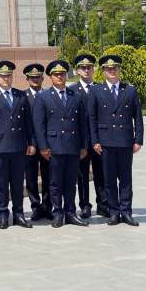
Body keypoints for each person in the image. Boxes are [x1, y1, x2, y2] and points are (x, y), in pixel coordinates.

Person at [32, 59, 89, 228]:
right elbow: (39, 125)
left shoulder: (75, 96)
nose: (59, 77)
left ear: (66, 76)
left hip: (72, 146)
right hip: (53, 146)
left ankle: (70, 212)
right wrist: (43, 147)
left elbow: (82, 124)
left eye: (62, 74)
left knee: (71, 182)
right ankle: (57, 213)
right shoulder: (43, 97)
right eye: (56, 74)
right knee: (55, 183)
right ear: (50, 77)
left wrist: (83, 146)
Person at [0, 60, 34, 229]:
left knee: (17, 183)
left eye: (8, 75)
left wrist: (31, 142)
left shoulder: (20, 95)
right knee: (1, 184)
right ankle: (2, 214)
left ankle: (18, 214)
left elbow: (28, 123)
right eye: (3, 76)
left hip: (18, 147)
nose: (6, 79)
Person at [89, 54, 143, 226]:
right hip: (105, 142)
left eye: (115, 68)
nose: (112, 71)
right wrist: (95, 141)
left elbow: (138, 117)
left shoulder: (130, 90)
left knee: (126, 179)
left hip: (125, 141)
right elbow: (92, 118)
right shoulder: (96, 91)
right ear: (103, 71)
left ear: (119, 70)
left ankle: (126, 212)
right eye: (108, 69)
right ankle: (113, 212)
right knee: (109, 180)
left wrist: (138, 140)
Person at [71, 53, 108, 219]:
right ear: (77, 71)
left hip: (100, 139)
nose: (86, 70)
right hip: (81, 141)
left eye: (89, 67)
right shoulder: (72, 91)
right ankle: (85, 205)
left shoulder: (101, 89)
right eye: (83, 68)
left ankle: (103, 204)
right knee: (82, 175)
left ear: (94, 69)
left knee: (101, 173)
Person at [22, 63, 52, 220]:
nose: (35, 80)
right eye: (32, 77)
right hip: (30, 145)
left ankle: (47, 207)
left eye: (38, 77)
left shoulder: (49, 95)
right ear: (27, 79)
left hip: (47, 144)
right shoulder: (22, 96)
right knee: (31, 178)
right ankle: (35, 207)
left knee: (48, 177)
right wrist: (30, 142)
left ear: (42, 78)